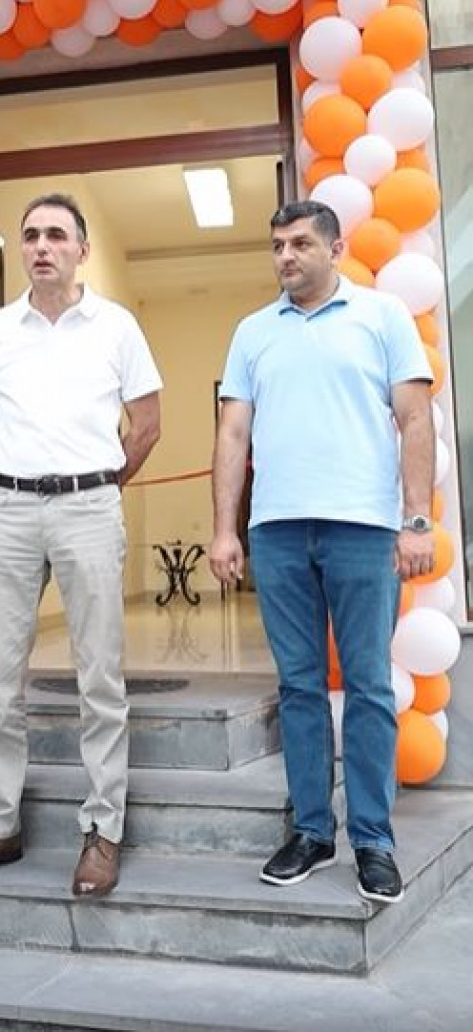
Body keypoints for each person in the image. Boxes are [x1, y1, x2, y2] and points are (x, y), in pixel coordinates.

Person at [209, 200, 435, 906]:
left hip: (363, 528)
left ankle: (373, 839)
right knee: (300, 686)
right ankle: (312, 830)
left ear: (335, 250)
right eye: (278, 244)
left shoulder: (382, 316)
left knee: (367, 685)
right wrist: (225, 529)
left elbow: (415, 417)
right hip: (277, 531)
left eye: (301, 243)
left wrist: (416, 520)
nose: (286, 255)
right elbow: (232, 434)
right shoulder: (253, 331)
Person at [0, 193, 162, 898]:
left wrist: (98, 484)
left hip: (90, 506)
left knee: (100, 678)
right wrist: (22, 476)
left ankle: (102, 830)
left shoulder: (117, 326)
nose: (41, 246)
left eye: (57, 235)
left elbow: (147, 424)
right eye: (31, 234)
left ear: (81, 250)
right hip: (10, 510)